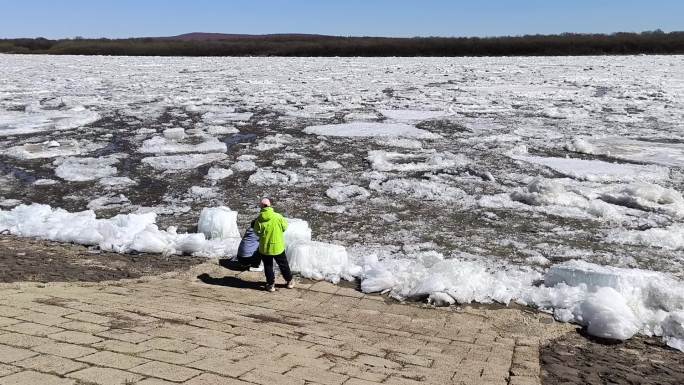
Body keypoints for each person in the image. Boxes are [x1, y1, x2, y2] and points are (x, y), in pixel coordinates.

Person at [254, 198, 294, 292]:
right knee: (283, 265)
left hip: (265, 248)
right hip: (278, 246)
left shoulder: (259, 219)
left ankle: (271, 285)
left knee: (268, 266)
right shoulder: (278, 216)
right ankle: (289, 281)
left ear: (261, 206)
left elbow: (257, 232)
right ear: (270, 205)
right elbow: (285, 227)